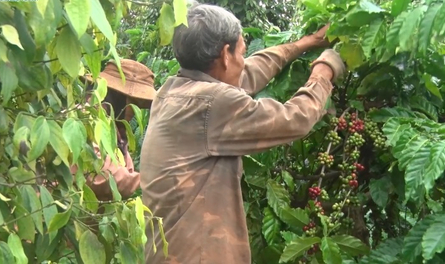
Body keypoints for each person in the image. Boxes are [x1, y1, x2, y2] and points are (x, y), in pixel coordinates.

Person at [139, 3, 346, 264]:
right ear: (226, 54)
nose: (243, 61)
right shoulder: (211, 105)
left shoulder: (173, 91)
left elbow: (246, 72)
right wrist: (324, 70)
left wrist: (306, 43)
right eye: (241, 52)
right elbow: (295, 120)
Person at [73, 59, 157, 201]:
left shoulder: (115, 131)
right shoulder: (83, 119)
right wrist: (150, 181)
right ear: (117, 96)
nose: (136, 111)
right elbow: (102, 176)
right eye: (134, 103)